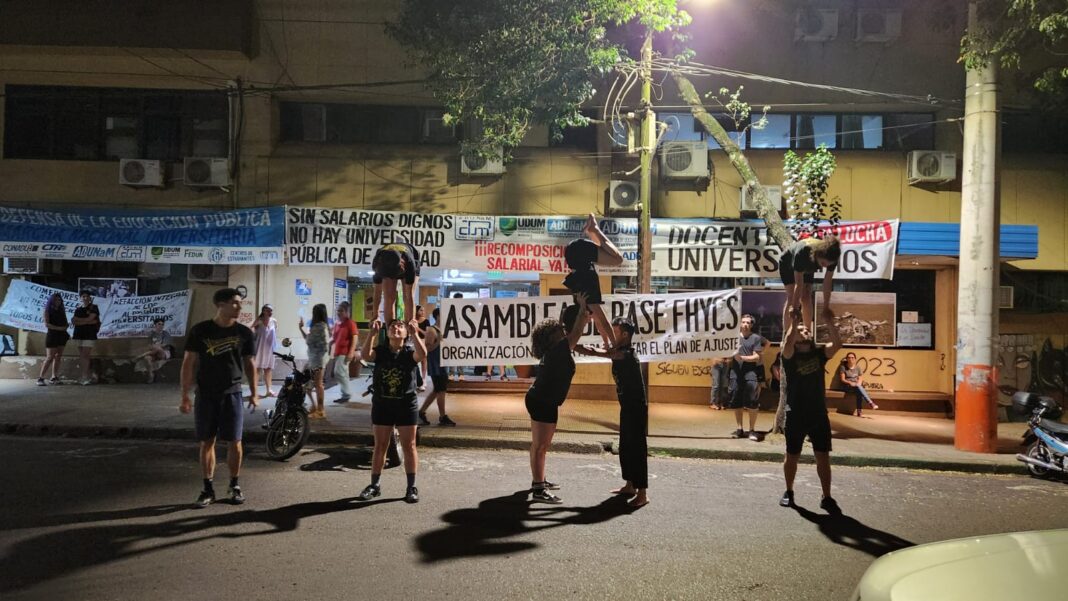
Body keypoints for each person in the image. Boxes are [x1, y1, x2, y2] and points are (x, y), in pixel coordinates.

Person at [179, 288, 258, 508]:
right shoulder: (201, 331)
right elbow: (188, 363)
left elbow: (250, 364)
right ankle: (207, 488)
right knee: (207, 441)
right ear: (220, 305)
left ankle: (234, 485)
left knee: (235, 441)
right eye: (235, 303)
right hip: (206, 394)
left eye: (240, 303)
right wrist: (185, 394)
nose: (240, 306)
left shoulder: (244, 333)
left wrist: (254, 392)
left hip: (232, 393)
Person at [525, 293, 590, 504]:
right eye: (558, 330)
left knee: (539, 445)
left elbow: (575, 339)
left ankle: (539, 480)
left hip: (542, 399)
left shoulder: (556, 350)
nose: (562, 331)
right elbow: (577, 332)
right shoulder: (559, 350)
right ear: (551, 336)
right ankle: (538, 489)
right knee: (541, 446)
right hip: (543, 401)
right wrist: (582, 309)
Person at [577, 317, 649, 507]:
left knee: (637, 449)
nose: (611, 335)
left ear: (625, 335)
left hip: (636, 408)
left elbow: (593, 351)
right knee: (626, 447)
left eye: (615, 332)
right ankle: (630, 485)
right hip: (627, 406)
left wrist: (572, 345)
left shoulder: (625, 354)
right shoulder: (619, 350)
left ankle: (642, 494)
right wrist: (592, 315)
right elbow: (603, 330)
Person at [779, 305, 842, 512]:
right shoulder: (789, 356)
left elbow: (838, 344)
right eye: (801, 331)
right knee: (792, 455)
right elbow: (788, 342)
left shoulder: (819, 354)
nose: (805, 332)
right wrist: (793, 323)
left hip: (818, 413)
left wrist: (829, 321)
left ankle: (827, 496)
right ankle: (789, 491)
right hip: (795, 412)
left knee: (822, 455)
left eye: (807, 330)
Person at [357, 318, 426, 504]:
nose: (396, 328)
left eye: (400, 326)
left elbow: (423, 354)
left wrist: (415, 333)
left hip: (406, 405)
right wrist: (371, 333)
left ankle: (411, 487)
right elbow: (364, 355)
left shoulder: (409, 352)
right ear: (387, 333)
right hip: (382, 404)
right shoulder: (381, 351)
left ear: (405, 333)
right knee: (380, 445)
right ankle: (375, 485)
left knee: (409, 445)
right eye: (393, 326)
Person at [562, 213, 624, 350]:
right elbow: (599, 322)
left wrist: (615, 345)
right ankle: (593, 230)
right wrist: (607, 344)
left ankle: (595, 229)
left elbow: (604, 321)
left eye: (584, 324)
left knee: (618, 259)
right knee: (611, 256)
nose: (588, 322)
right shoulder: (583, 302)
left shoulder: (587, 298)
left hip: (578, 253)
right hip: (575, 256)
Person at [779, 235, 841, 329]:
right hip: (788, 264)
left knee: (806, 296)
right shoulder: (803, 252)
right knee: (792, 298)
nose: (825, 267)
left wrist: (826, 307)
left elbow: (827, 283)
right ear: (819, 255)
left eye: (827, 265)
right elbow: (798, 285)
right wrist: (795, 309)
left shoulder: (833, 258)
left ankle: (807, 332)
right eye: (823, 264)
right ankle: (787, 334)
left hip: (809, 265)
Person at [728, 314, 766, 441]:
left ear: (751, 325)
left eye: (748, 322)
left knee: (752, 403)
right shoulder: (733, 337)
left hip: (750, 374)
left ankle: (752, 430)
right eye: (743, 322)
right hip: (735, 374)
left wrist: (742, 358)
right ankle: (739, 429)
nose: (745, 324)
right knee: (736, 402)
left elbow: (757, 357)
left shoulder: (755, 338)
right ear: (739, 323)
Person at [419, 309, 456, 426]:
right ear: (437, 316)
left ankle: (421, 412)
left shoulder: (443, 329)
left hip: (442, 364)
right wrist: (438, 342)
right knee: (441, 390)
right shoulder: (432, 329)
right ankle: (442, 416)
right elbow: (427, 349)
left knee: (437, 390)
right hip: (436, 365)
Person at [371, 242, 420, 325]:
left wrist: (412, 319)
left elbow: (409, 296)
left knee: (406, 296)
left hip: (411, 258)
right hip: (387, 263)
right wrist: (375, 315)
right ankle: (390, 330)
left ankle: (408, 332)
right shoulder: (378, 264)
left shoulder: (410, 264)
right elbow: (377, 292)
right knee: (389, 298)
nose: (393, 279)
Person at [299, 303, 331, 419]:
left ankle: (321, 410)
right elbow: (309, 339)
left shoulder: (320, 327)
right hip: (314, 359)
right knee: (308, 385)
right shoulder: (322, 326)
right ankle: (315, 406)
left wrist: (302, 329)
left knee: (317, 384)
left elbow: (308, 340)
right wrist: (301, 329)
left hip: (318, 360)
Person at [37, 292, 69, 386]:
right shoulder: (47, 311)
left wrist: (66, 326)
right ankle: (41, 378)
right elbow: (47, 324)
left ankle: (54, 377)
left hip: (62, 336)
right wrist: (59, 328)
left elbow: (65, 322)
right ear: (51, 301)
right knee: (50, 357)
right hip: (52, 335)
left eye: (59, 300)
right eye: (55, 300)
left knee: (58, 356)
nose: (58, 301)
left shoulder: (62, 310)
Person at [330, 301, 359, 403]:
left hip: (345, 352)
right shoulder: (337, 324)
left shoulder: (350, 323)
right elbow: (334, 338)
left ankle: (346, 394)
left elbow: (355, 337)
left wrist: (351, 352)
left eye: (341, 311)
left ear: (347, 312)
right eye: (338, 310)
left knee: (338, 373)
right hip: (338, 353)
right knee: (343, 374)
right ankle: (345, 395)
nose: (339, 312)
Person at [70, 289, 101, 386]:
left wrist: (82, 321)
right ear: (80, 298)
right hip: (79, 334)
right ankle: (87, 375)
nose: (85, 298)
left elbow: (91, 319)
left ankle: (85, 376)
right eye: (83, 296)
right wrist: (87, 322)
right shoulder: (78, 309)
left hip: (89, 335)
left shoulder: (94, 307)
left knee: (85, 355)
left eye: (87, 296)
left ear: (90, 298)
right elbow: (73, 321)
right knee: (82, 356)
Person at [837, 352, 878, 416]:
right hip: (847, 386)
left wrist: (858, 384)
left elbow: (860, 378)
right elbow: (843, 379)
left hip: (856, 385)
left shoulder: (857, 367)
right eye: (849, 357)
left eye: (852, 357)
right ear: (847, 359)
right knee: (859, 389)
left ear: (855, 359)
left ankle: (860, 411)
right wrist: (850, 383)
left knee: (859, 390)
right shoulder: (843, 367)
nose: (851, 359)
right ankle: (870, 403)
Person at [134, 318, 173, 384]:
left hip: (164, 353)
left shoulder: (166, 334)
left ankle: (141, 355)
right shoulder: (152, 334)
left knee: (158, 348)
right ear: (155, 325)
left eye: (162, 324)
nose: (161, 326)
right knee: (147, 358)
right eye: (159, 324)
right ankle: (151, 375)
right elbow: (149, 345)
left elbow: (164, 345)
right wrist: (154, 346)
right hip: (153, 353)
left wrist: (156, 346)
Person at [251, 305, 278, 397]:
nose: (271, 312)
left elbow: (274, 334)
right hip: (260, 347)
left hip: (270, 348)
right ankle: (254, 391)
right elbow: (251, 330)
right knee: (257, 369)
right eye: (269, 310)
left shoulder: (274, 321)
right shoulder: (259, 320)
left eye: (272, 310)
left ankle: (269, 390)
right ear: (264, 311)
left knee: (268, 369)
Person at [415, 305, 430, 391]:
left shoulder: (426, 321)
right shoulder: (413, 320)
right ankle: (417, 380)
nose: (423, 312)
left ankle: (424, 380)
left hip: (423, 341)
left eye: (423, 310)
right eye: (421, 310)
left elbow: (426, 334)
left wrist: (418, 328)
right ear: (416, 311)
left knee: (424, 361)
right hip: (413, 342)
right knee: (416, 361)